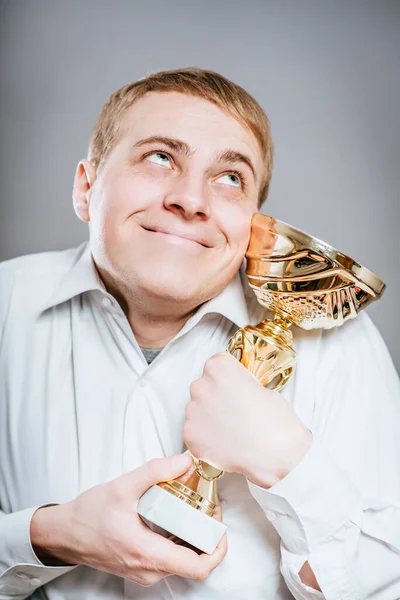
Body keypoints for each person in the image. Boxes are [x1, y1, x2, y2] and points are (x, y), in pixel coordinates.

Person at [0, 67, 399, 600]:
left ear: (255, 222)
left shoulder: (336, 342)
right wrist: (49, 536)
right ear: (86, 186)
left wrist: (289, 465)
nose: (192, 200)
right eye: (160, 156)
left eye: (230, 177)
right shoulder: (6, 305)